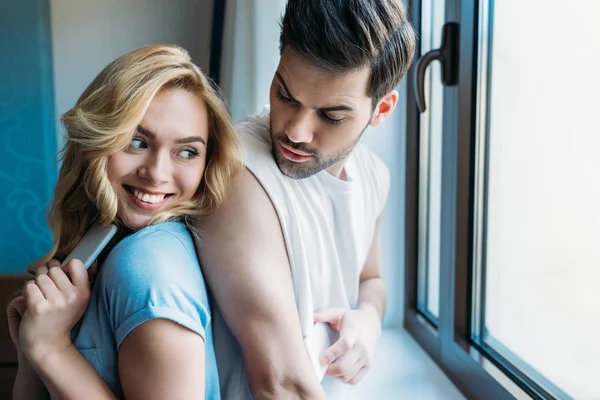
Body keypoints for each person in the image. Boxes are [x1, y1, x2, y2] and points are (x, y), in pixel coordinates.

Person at [196, 0, 416, 398]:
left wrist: (367, 320)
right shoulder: (240, 173)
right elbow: (280, 384)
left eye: (331, 116)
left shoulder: (373, 174)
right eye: (285, 95)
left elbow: (372, 279)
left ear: (381, 109)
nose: (296, 131)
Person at [6, 44, 240, 400]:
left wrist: (51, 349)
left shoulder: (147, 265)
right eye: (136, 141)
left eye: (187, 151)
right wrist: (30, 351)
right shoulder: (106, 246)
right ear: (97, 138)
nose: (157, 173)